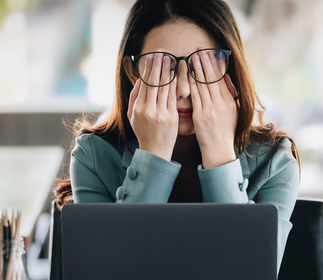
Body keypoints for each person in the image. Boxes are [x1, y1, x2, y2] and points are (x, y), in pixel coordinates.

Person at [55, 0, 300, 266]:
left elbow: (250, 274)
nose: (183, 89)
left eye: (202, 66)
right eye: (164, 67)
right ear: (132, 71)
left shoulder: (274, 162)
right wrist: (152, 154)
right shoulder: (93, 156)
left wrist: (219, 151)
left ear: (228, 69)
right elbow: (111, 272)